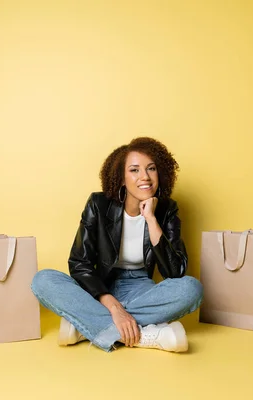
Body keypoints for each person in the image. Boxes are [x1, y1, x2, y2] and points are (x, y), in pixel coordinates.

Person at [31, 137, 203, 352]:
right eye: (134, 170)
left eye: (151, 168)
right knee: (43, 279)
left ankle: (85, 326)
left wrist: (151, 218)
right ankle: (144, 335)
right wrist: (112, 305)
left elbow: (175, 271)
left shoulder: (167, 210)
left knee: (191, 288)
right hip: (101, 285)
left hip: (140, 287)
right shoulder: (98, 204)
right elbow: (79, 263)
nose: (145, 177)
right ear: (121, 178)